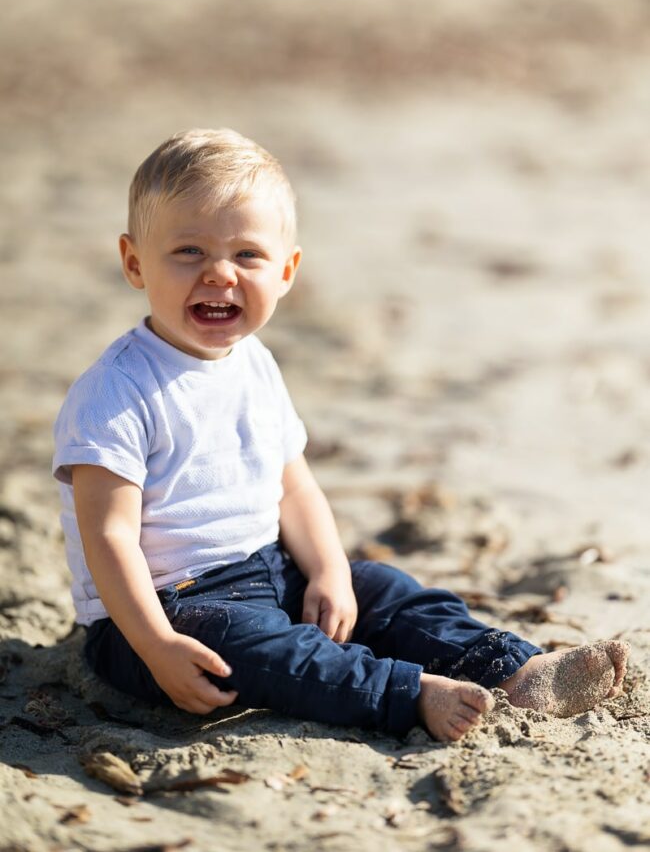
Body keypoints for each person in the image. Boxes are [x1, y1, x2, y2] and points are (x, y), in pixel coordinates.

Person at [53, 129, 629, 743]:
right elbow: (108, 536)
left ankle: (516, 670)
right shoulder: (115, 393)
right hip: (160, 609)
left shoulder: (255, 365)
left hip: (267, 568)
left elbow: (294, 490)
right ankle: (408, 695)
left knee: (385, 592)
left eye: (247, 256)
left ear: (287, 271)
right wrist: (157, 643)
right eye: (189, 251)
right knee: (268, 651)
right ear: (134, 261)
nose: (220, 274)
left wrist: (328, 571)